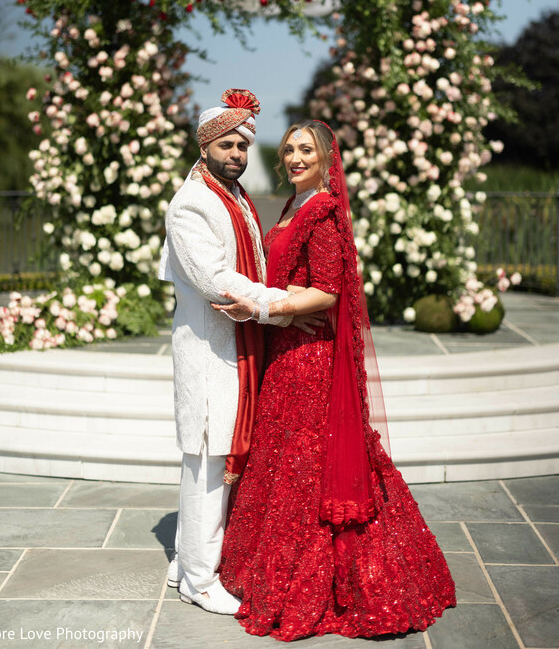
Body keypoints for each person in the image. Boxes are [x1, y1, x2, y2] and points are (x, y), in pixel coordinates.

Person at [213, 120, 456, 641]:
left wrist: (262, 305)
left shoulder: (321, 211)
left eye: (307, 150)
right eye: (290, 150)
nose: (297, 158)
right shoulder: (293, 206)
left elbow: (326, 292)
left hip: (311, 362)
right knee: (286, 465)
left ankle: (337, 580)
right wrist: (279, 306)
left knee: (309, 468)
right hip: (289, 352)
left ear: (327, 158)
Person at [158, 92, 322, 617]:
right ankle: (201, 582)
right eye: (225, 144)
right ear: (204, 147)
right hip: (209, 349)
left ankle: (185, 563)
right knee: (207, 460)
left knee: (210, 461)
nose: (235, 153)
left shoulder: (234, 197)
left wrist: (276, 304)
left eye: (242, 145)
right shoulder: (191, 204)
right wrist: (288, 306)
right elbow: (218, 282)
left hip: (236, 347)